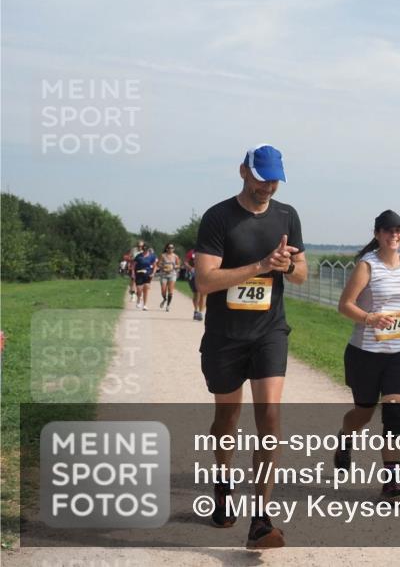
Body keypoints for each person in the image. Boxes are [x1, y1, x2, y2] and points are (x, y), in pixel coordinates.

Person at [194, 144, 307, 549]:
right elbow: (205, 281)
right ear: (244, 171)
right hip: (225, 336)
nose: (268, 186)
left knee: (270, 420)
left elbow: (301, 274)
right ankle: (223, 483)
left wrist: (287, 265)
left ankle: (261, 518)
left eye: (274, 179)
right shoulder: (219, 217)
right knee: (227, 422)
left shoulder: (286, 216)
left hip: (269, 332)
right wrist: (260, 266)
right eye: (262, 178)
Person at [335, 210, 400, 506]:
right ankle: (345, 437)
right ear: (377, 234)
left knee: (394, 414)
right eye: (388, 231)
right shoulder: (367, 266)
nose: (394, 235)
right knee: (363, 414)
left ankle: (392, 483)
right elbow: (345, 305)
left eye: (398, 230)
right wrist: (369, 318)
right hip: (365, 353)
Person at [155, 243, 182, 311]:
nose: (171, 249)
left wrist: (173, 267)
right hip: (163, 274)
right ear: (166, 248)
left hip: (172, 274)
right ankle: (164, 299)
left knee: (170, 291)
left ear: (174, 249)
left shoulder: (175, 256)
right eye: (169, 248)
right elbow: (158, 264)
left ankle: (168, 305)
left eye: (172, 248)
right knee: (163, 290)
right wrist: (163, 267)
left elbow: (179, 265)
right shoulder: (162, 255)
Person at [131, 242, 157, 311]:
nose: (145, 250)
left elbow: (155, 266)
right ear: (142, 249)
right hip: (139, 274)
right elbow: (133, 265)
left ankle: (145, 305)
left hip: (147, 274)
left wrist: (153, 273)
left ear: (148, 249)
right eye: (143, 249)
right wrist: (133, 273)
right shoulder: (138, 256)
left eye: (146, 249)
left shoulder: (152, 256)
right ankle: (139, 299)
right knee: (139, 290)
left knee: (146, 289)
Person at [186, 247, 206, 321]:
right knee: (197, 293)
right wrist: (191, 268)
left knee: (204, 293)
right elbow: (186, 262)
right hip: (194, 274)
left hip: (204, 274)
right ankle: (196, 310)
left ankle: (201, 312)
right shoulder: (192, 252)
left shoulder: (208, 251)